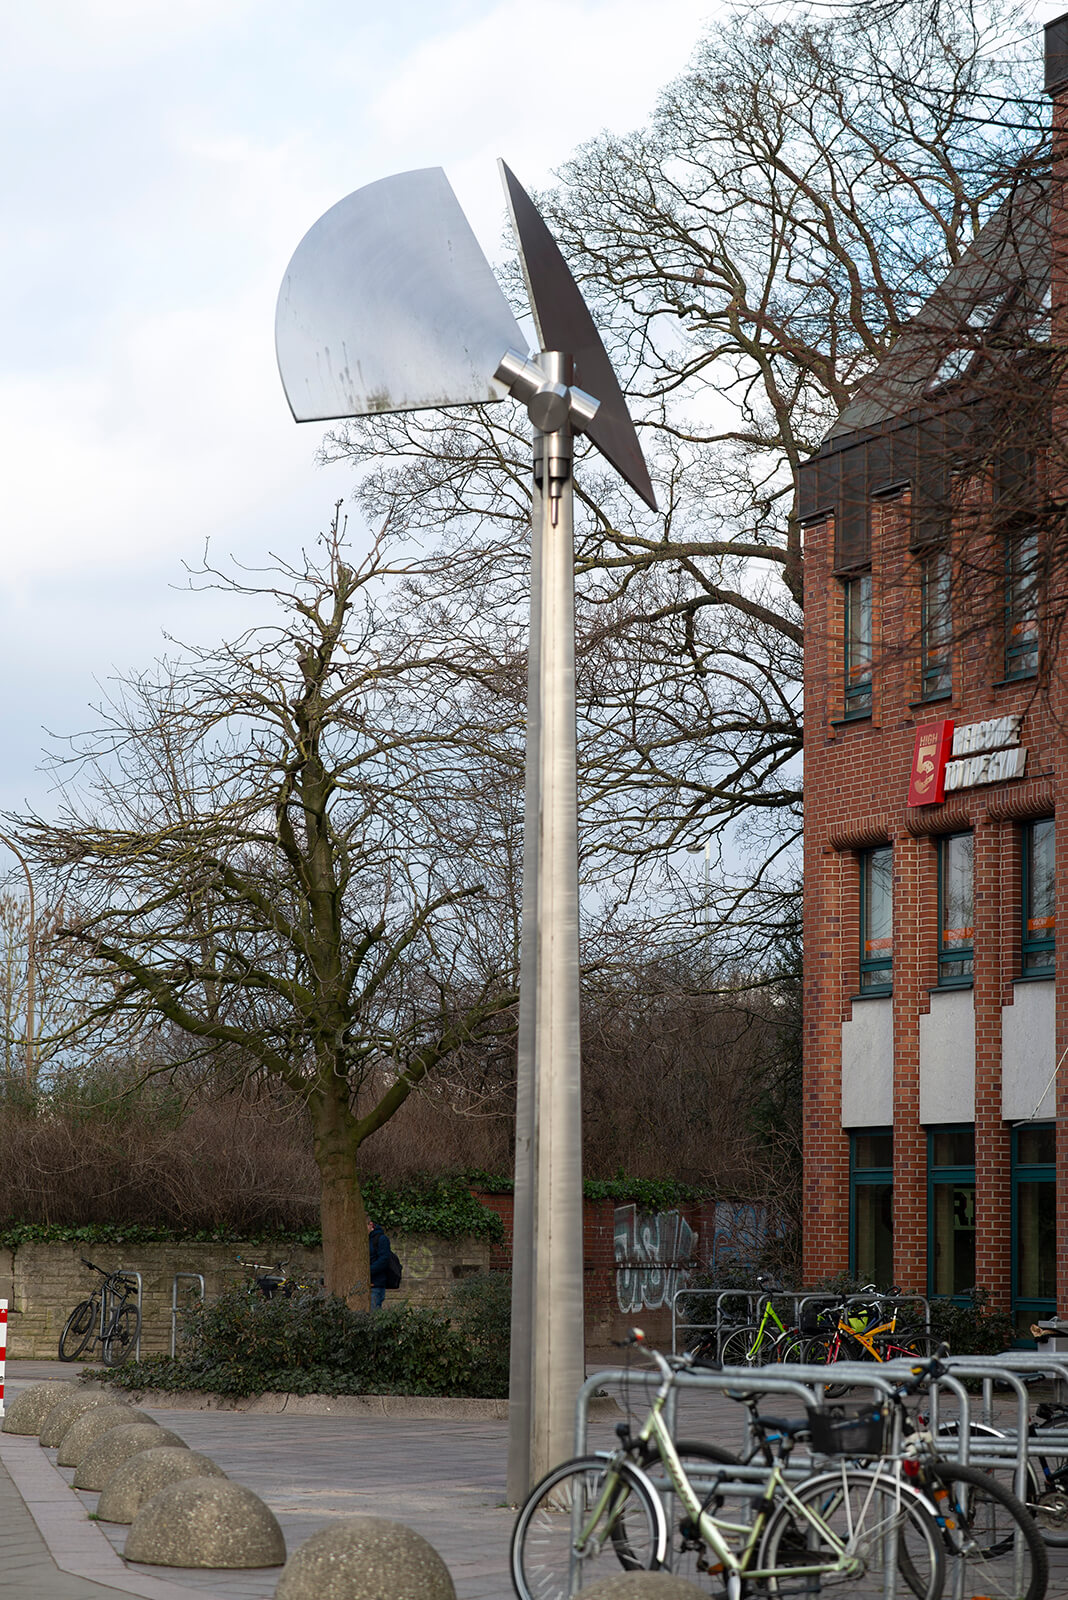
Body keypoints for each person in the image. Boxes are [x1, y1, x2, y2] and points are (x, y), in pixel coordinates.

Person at [367, 1217, 390, 1309]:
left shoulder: (381, 1239)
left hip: (375, 1284)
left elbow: (383, 1260)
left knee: (373, 1314)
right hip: (363, 1284)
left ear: (371, 1225)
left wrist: (368, 1271)